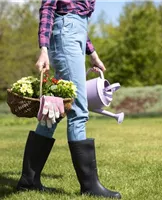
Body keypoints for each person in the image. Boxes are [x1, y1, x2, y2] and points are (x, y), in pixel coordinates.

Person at [16, 0, 121, 199]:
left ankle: (28, 180)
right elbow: (49, 7)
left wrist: (93, 53)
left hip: (76, 32)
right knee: (78, 110)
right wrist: (44, 48)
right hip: (66, 33)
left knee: (54, 111)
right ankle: (90, 186)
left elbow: (76, 16)